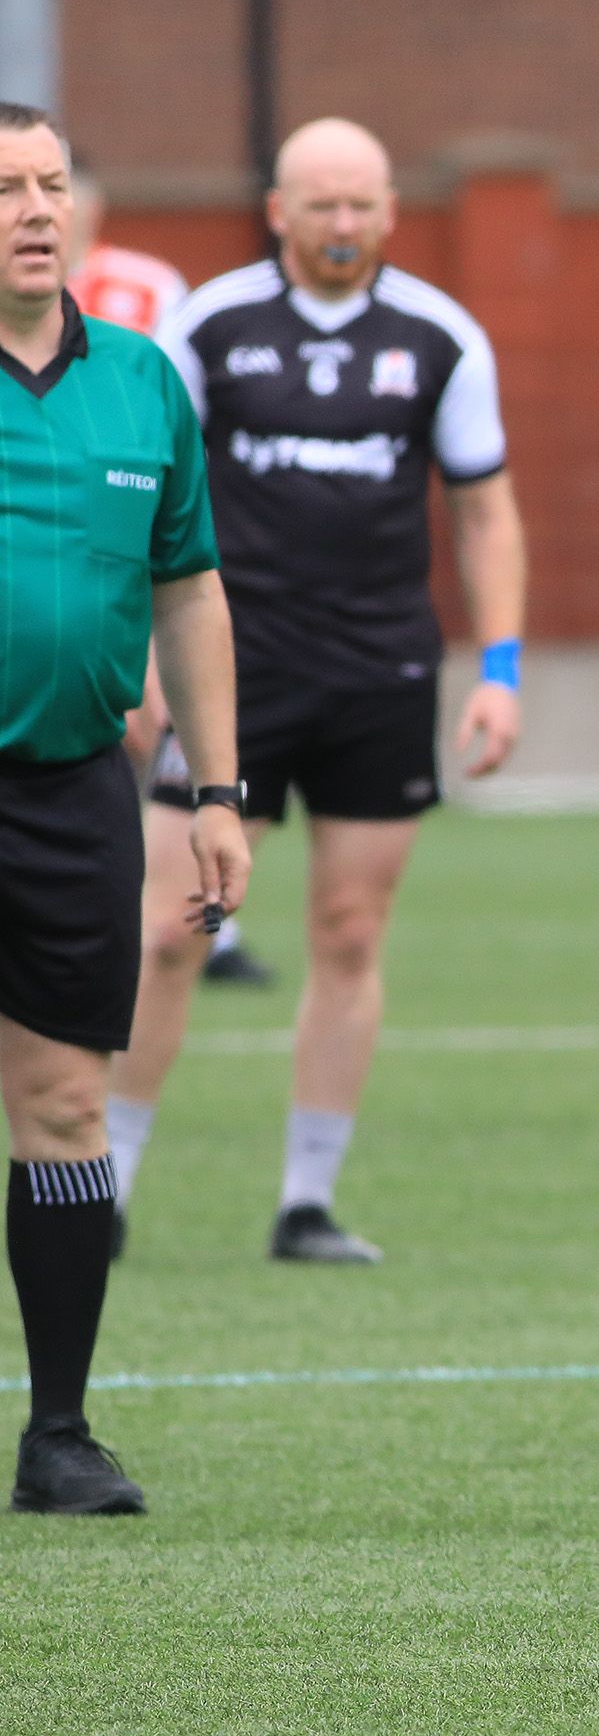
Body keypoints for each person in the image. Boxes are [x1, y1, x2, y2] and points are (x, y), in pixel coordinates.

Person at [106, 117, 526, 1265]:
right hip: (229, 673)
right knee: (168, 932)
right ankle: (108, 1189)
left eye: (363, 204)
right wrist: (143, 649)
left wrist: (499, 669)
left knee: (348, 930)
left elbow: (484, 511)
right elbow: (143, 494)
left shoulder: (441, 337)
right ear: (278, 210)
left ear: (391, 210)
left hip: (379, 668)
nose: (344, 225)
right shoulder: (212, 327)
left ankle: (306, 1201)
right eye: (321, 204)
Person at [0, 102, 251, 1512]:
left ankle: (58, 1433)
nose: (37, 209)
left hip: (74, 788)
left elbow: (191, 586)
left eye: (51, 185)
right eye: (7, 189)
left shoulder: (143, 383)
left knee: (65, 1098)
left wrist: (214, 787)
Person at [64, 172, 276, 993]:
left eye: (61, 187)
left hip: (135, 556)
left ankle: (193, 926)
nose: (49, 208)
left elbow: (180, 442)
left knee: (153, 745)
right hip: (55, 568)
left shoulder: (150, 291)